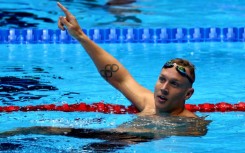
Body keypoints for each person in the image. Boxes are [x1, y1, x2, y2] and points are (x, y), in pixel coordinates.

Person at [57, 2, 197, 118]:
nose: (164, 88)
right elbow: (119, 78)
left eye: (174, 84)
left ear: (188, 94)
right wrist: (80, 35)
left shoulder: (191, 126)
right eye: (162, 79)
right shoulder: (150, 103)